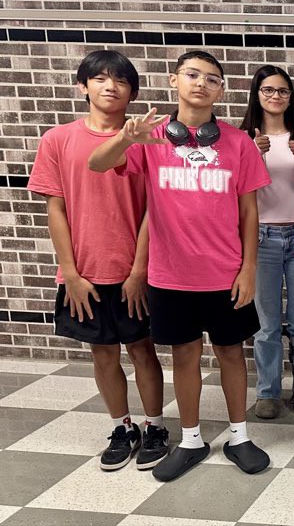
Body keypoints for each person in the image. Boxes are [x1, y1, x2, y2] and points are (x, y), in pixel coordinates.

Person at [89, 50, 272, 482]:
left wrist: (249, 269)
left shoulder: (238, 143)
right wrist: (126, 139)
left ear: (221, 90)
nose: (201, 84)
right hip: (170, 274)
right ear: (174, 80)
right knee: (184, 356)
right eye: (192, 74)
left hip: (225, 273)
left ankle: (239, 436)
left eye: (212, 79)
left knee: (231, 353)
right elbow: (97, 164)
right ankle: (191, 439)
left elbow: (250, 212)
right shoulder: (150, 139)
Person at [29, 50, 167, 471]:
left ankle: (155, 426)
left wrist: (139, 270)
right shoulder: (58, 139)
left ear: (132, 92)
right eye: (101, 78)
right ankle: (122, 426)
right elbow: (56, 209)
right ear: (83, 86)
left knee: (143, 349)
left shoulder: (147, 139)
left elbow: (152, 210)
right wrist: (69, 273)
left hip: (134, 270)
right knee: (102, 353)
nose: (111, 86)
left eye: (121, 81)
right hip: (83, 273)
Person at [239, 65, 294, 419]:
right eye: (268, 90)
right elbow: (235, 192)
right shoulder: (242, 139)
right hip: (262, 238)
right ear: (257, 95)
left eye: (283, 91)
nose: (276, 97)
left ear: (291, 96)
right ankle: (268, 391)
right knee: (266, 323)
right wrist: (252, 156)